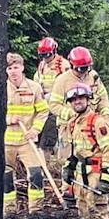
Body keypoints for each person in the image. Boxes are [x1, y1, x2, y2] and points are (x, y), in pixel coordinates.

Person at [61, 85, 109, 219]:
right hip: (81, 175)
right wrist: (68, 169)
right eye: (73, 100)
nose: (77, 101)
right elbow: (74, 151)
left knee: (98, 213)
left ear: (88, 99)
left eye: (81, 98)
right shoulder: (72, 124)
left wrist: (106, 178)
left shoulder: (98, 121)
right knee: (84, 210)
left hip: (96, 172)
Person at [2, 52, 49, 215]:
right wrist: (8, 119)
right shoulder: (1, 89)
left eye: (16, 67)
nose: (13, 71)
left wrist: (35, 129)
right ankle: (9, 212)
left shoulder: (34, 88)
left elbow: (43, 111)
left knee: (36, 174)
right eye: (9, 68)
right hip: (6, 141)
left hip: (27, 141)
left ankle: (36, 211)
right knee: (6, 177)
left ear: (22, 67)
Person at [47, 46, 109, 126]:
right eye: (80, 69)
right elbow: (54, 105)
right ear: (72, 66)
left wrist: (106, 117)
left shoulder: (93, 76)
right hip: (68, 126)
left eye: (86, 68)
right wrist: (71, 114)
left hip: (92, 123)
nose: (84, 72)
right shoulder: (62, 80)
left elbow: (103, 99)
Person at [33, 37, 68, 174]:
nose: (46, 58)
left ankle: (44, 170)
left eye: (47, 55)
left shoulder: (62, 65)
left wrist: (52, 96)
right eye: (43, 55)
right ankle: (37, 167)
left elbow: (67, 85)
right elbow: (37, 82)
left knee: (47, 140)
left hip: (56, 108)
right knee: (38, 138)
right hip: (43, 106)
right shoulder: (42, 66)